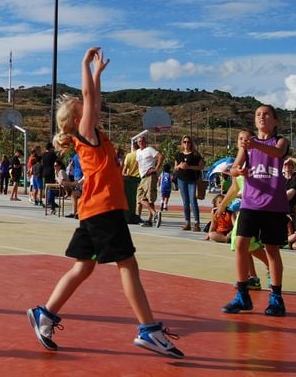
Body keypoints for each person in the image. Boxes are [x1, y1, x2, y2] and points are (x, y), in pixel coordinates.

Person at [26, 47, 182, 357]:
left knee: (84, 266)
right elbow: (90, 95)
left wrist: (98, 74)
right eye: (82, 105)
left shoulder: (94, 133)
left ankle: (45, 312)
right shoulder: (86, 133)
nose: (90, 105)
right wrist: (86, 65)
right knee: (128, 265)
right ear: (76, 117)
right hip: (103, 208)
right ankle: (148, 330)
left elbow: (94, 98)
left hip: (93, 210)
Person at [222, 105, 290, 317]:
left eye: (267, 114)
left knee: (272, 250)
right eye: (258, 114)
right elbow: (233, 168)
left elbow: (278, 153)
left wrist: (255, 144)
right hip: (250, 203)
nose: (262, 117)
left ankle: (276, 298)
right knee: (241, 245)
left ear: (275, 121)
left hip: (273, 204)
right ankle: (243, 295)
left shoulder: (279, 141)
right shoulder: (247, 146)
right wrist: (238, 170)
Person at [174, 135, 204, 231]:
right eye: (185, 142)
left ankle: (196, 223)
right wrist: (180, 165)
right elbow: (175, 167)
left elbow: (201, 167)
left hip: (192, 180)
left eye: (188, 142)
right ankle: (187, 222)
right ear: (182, 143)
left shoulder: (195, 155)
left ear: (191, 143)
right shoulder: (179, 155)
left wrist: (189, 167)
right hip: (181, 179)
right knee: (185, 202)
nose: (186, 143)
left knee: (193, 201)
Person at [134, 136, 161, 227]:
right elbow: (138, 164)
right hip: (143, 177)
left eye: (142, 141)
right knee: (140, 198)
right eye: (139, 141)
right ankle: (154, 214)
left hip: (150, 176)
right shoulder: (138, 152)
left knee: (149, 198)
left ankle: (151, 219)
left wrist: (156, 168)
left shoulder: (149, 149)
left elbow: (161, 156)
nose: (140, 142)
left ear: (145, 141)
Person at [122, 146, 142, 224]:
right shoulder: (142, 154)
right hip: (140, 178)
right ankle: (136, 216)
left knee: (130, 199)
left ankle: (129, 216)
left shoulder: (129, 155)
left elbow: (125, 168)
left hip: (130, 179)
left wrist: (128, 174)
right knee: (139, 199)